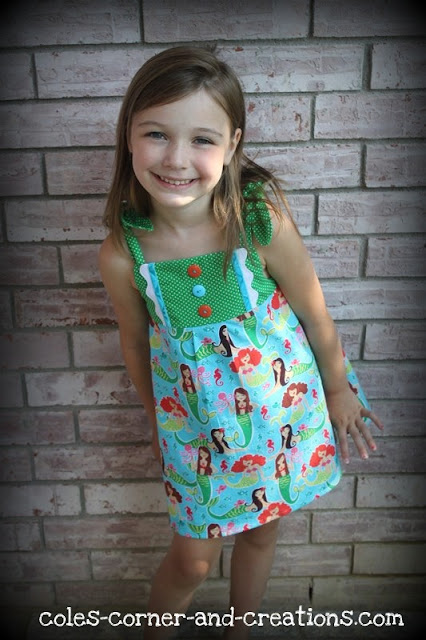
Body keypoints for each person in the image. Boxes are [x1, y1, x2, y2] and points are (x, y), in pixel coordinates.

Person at [99, 45, 383, 640]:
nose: (176, 158)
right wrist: (156, 420)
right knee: (192, 562)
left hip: (282, 419)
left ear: (232, 145)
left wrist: (338, 389)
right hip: (197, 433)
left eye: (202, 139)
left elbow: (314, 313)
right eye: (156, 133)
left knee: (263, 531)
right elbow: (135, 345)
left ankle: (241, 630)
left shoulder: (257, 220)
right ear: (129, 136)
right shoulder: (124, 253)